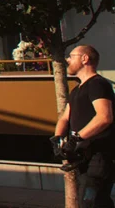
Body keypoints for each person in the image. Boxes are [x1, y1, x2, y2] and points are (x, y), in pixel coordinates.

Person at [54, 45, 115, 208]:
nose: (67, 59)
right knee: (94, 203)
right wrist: (57, 139)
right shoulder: (76, 91)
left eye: (71, 56)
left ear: (84, 58)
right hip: (83, 158)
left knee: (91, 202)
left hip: (100, 157)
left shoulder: (98, 84)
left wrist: (76, 138)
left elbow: (105, 117)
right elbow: (64, 118)